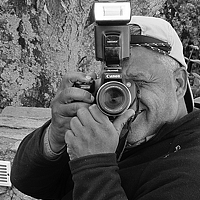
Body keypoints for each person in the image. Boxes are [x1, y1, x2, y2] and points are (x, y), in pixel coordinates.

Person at [11, 16, 200, 200]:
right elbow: (29, 183)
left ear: (178, 83)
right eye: (113, 84)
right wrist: (54, 137)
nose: (123, 99)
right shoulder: (105, 125)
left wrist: (94, 165)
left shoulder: (190, 169)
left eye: (139, 82)